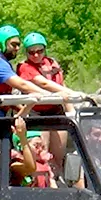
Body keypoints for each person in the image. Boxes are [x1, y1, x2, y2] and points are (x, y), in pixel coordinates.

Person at [16, 32, 79, 174]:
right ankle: (45, 180)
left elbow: (60, 87)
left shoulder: (51, 64)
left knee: (59, 155)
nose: (36, 55)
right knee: (42, 153)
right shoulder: (24, 67)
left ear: (45, 50)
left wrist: (72, 112)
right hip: (36, 111)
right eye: (31, 52)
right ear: (26, 53)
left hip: (55, 109)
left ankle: (59, 179)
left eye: (40, 51)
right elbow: (43, 83)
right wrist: (70, 92)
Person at [0, 25, 50, 114]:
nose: (17, 48)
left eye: (18, 45)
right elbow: (22, 85)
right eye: (13, 45)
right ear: (1, 44)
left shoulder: (0, 61)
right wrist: (50, 96)